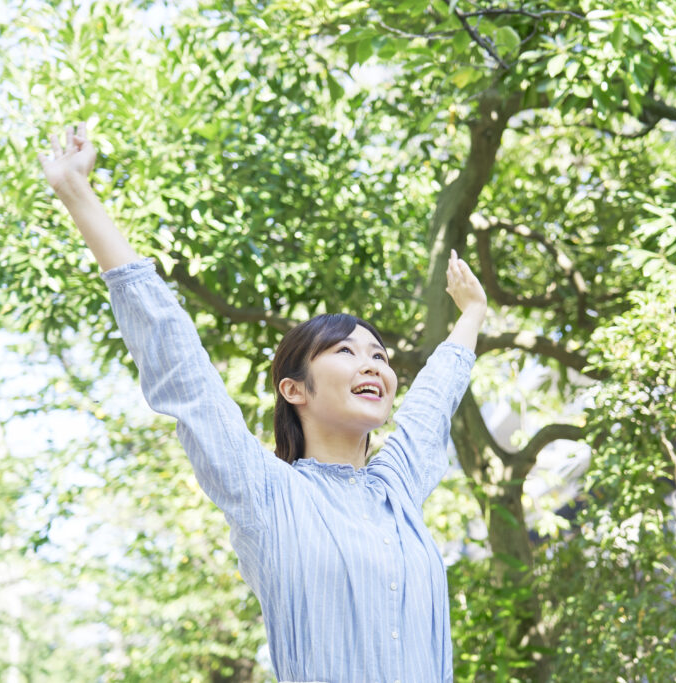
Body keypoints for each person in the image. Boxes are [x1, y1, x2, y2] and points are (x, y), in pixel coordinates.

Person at [39, 123, 487, 683]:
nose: (374, 364)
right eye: (346, 352)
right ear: (293, 388)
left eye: (380, 355)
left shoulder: (396, 490)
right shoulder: (267, 494)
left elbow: (434, 402)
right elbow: (181, 368)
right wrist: (77, 194)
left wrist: (471, 314)